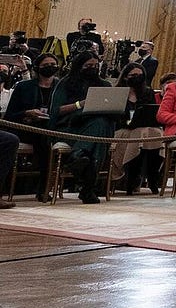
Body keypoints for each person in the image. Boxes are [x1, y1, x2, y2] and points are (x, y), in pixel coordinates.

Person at [49, 48, 116, 204]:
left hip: (95, 125)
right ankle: (88, 188)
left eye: (95, 65)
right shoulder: (66, 83)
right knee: (100, 132)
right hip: (69, 127)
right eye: (88, 65)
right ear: (79, 65)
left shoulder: (104, 85)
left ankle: (79, 155)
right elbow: (56, 110)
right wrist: (81, 105)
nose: (92, 69)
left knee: (101, 123)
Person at [4, 51, 59, 201]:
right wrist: (27, 113)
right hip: (27, 128)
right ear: (37, 67)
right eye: (45, 65)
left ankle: (47, 185)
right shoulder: (24, 87)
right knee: (44, 139)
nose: (49, 67)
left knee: (47, 138)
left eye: (53, 65)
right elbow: (10, 116)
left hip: (53, 128)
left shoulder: (61, 87)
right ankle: (42, 188)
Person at [110, 61, 164, 194]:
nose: (137, 77)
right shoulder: (117, 93)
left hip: (143, 128)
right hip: (122, 128)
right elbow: (114, 116)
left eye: (140, 75)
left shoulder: (147, 93)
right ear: (125, 76)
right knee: (139, 134)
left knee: (157, 133)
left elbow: (150, 113)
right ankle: (130, 179)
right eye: (133, 75)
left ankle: (153, 176)